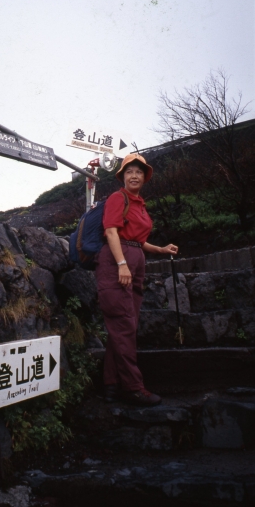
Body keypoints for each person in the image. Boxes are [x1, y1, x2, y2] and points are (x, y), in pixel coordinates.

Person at [95, 153, 178, 406]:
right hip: (117, 262)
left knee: (122, 328)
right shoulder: (117, 198)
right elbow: (111, 231)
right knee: (124, 327)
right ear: (122, 176)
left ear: (145, 177)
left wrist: (161, 250)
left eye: (139, 172)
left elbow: (138, 241)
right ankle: (132, 388)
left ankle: (111, 385)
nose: (134, 175)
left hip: (135, 261)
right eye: (129, 171)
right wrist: (121, 264)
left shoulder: (139, 203)